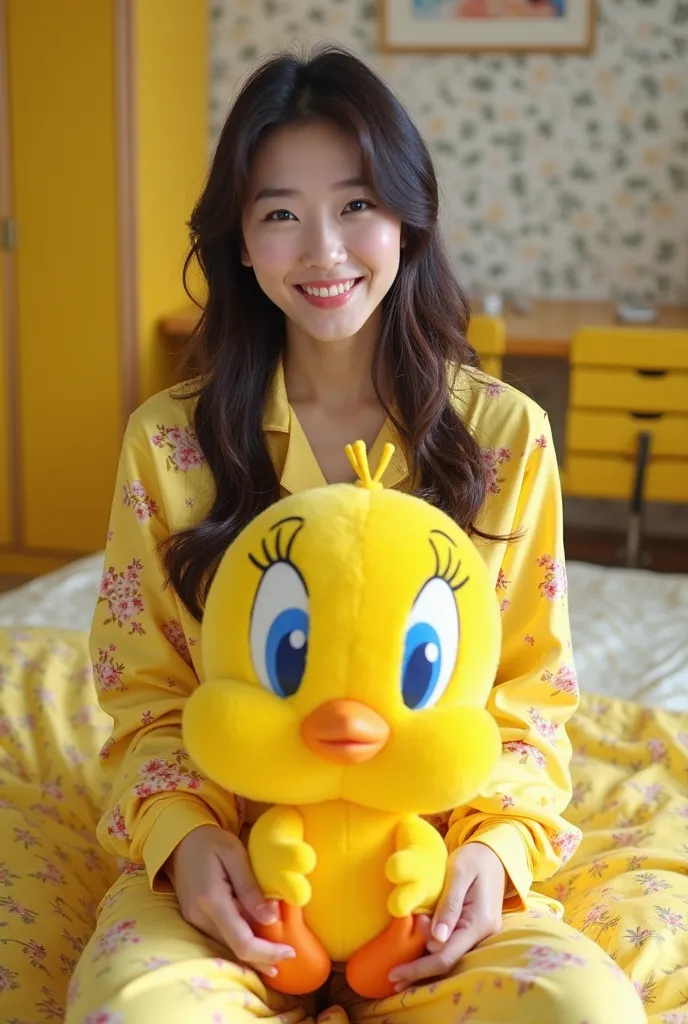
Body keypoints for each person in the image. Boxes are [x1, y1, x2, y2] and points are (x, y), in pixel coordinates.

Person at [66, 46, 646, 1024]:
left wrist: (486, 856)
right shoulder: (168, 441)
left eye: (357, 206)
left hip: (431, 878)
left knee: (582, 1012)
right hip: (234, 872)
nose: (324, 251)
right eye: (281, 213)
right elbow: (143, 695)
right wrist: (186, 843)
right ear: (241, 242)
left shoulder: (504, 437)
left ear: (407, 218)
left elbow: (532, 698)